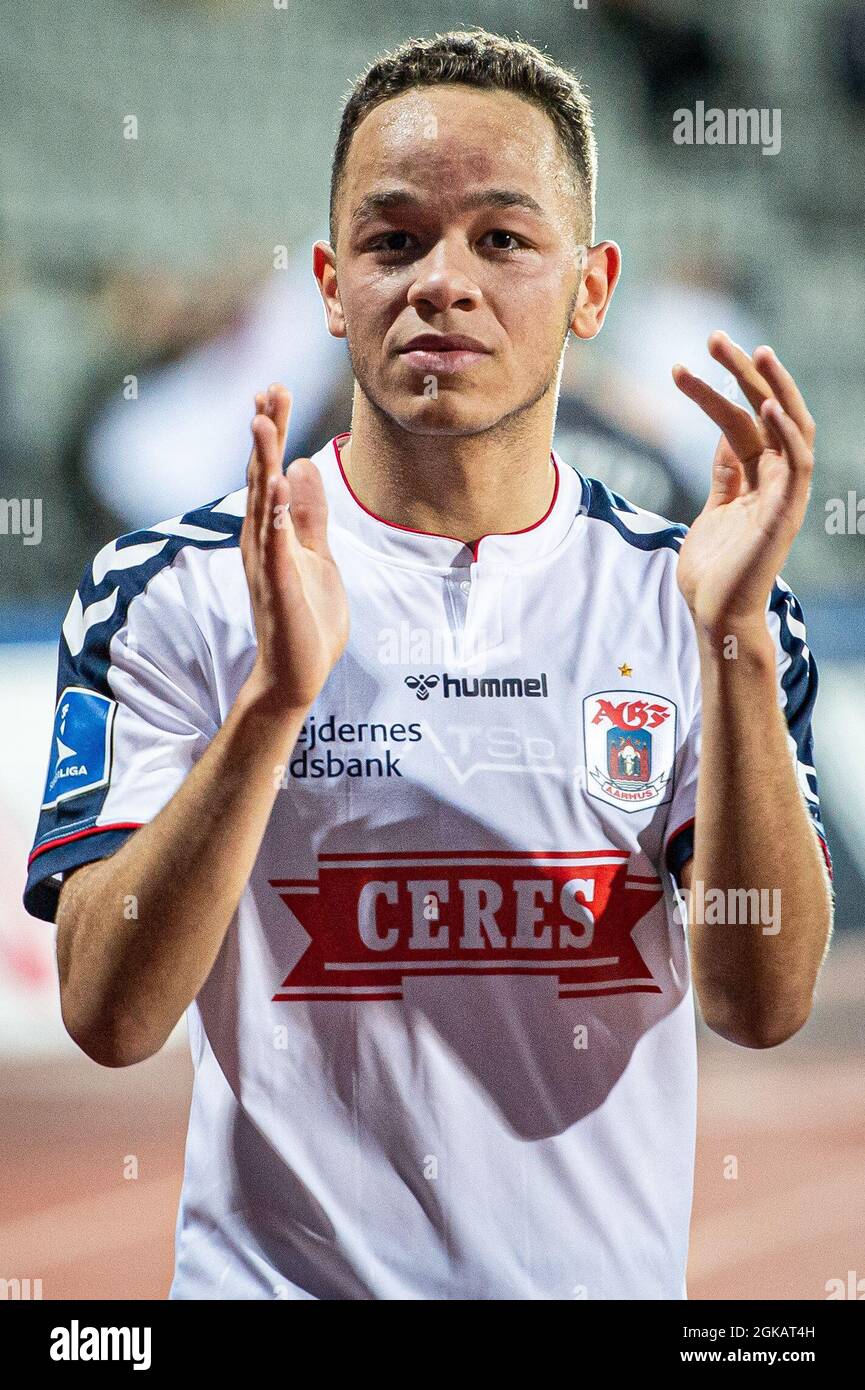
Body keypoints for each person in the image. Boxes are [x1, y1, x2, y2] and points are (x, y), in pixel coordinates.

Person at [24, 28, 833, 1300]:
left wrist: (731, 649)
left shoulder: (694, 602)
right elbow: (110, 1017)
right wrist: (271, 708)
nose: (441, 282)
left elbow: (760, 998)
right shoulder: (177, 589)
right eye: (394, 241)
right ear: (332, 284)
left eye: (502, 240)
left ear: (592, 285)